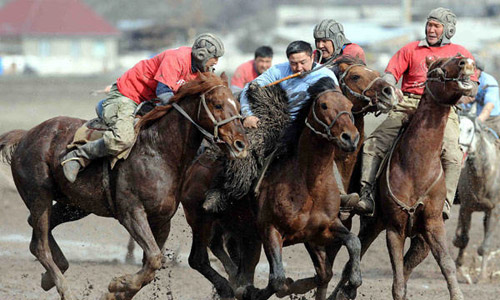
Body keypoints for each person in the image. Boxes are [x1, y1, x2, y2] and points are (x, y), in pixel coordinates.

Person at [356, 7, 477, 219]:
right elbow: (390, 75)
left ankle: (444, 205)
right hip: (408, 103)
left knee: (453, 154)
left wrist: (464, 89)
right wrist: (390, 88)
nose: (431, 29)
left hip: (443, 109)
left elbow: (473, 87)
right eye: (429, 25)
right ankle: (367, 195)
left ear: (448, 29)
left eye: (436, 26)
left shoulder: (461, 55)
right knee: (373, 144)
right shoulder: (409, 49)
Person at [61, 33, 225, 183]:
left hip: (150, 101)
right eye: (215, 58)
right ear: (201, 54)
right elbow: (163, 92)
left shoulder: (202, 70)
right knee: (123, 139)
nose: (216, 62)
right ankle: (79, 155)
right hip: (128, 95)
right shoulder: (176, 59)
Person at [203, 41, 339, 213]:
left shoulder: (326, 75)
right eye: (293, 63)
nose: (298, 68)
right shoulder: (279, 71)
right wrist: (248, 114)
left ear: (312, 56)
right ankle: (225, 191)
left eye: (303, 62)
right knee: (246, 147)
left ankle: (341, 195)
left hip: (312, 129)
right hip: (279, 124)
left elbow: (335, 104)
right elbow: (248, 90)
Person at [463, 60, 500, 134]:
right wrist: (462, 100)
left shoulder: (489, 82)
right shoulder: (463, 79)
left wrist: (478, 122)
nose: (471, 72)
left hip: (491, 118)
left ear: (480, 70)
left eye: (474, 69)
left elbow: (489, 107)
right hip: (468, 116)